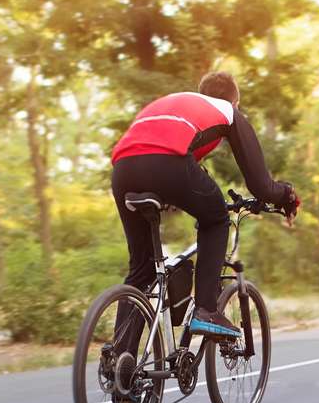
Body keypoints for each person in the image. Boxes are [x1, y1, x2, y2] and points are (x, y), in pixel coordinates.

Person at [110, 71, 299, 342]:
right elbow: (261, 186)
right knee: (216, 219)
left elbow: (154, 151)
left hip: (123, 169)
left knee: (141, 269)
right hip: (166, 163)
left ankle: (122, 363)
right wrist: (287, 195)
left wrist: (170, 192)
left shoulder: (174, 103)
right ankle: (207, 310)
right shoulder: (228, 111)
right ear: (234, 101)